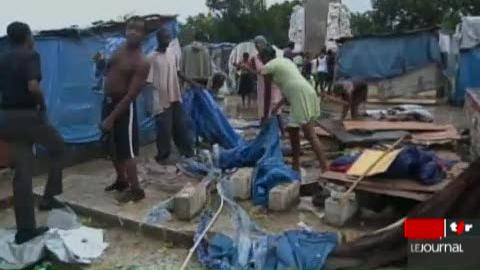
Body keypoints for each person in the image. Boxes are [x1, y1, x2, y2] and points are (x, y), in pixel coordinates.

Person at [0, 22, 65, 244]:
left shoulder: (2, 58)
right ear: (27, 37)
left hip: (7, 119)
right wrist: (42, 106)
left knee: (22, 174)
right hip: (28, 116)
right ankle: (49, 197)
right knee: (58, 146)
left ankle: (25, 230)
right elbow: (33, 87)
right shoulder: (30, 55)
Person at [101, 17, 150, 203]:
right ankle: (121, 180)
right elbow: (109, 69)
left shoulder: (142, 61)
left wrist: (111, 118)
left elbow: (131, 95)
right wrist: (101, 63)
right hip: (107, 101)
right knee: (111, 145)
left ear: (144, 35)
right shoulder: (118, 49)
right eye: (130, 28)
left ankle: (136, 189)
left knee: (126, 150)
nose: (132, 32)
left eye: (138, 30)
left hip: (123, 106)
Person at [259, 47, 328, 172]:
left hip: (299, 95)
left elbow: (267, 94)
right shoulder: (285, 62)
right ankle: (295, 166)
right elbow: (290, 86)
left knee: (309, 134)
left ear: (264, 57)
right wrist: (276, 107)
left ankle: (325, 167)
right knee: (293, 131)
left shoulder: (267, 68)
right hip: (308, 90)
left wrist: (265, 115)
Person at [146, 27, 194, 164]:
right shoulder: (151, 58)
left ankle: (187, 153)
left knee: (181, 125)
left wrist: (192, 82)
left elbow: (177, 72)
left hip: (175, 96)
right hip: (160, 98)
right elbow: (147, 81)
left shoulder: (172, 53)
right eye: (165, 38)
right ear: (158, 39)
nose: (167, 40)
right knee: (164, 129)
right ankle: (163, 156)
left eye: (169, 37)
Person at [251, 36, 283, 120]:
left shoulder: (270, 55)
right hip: (262, 85)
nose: (256, 47)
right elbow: (256, 72)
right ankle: (266, 124)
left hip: (271, 84)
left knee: (273, 106)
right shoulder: (256, 57)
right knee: (264, 106)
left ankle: (271, 125)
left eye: (257, 45)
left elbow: (266, 71)